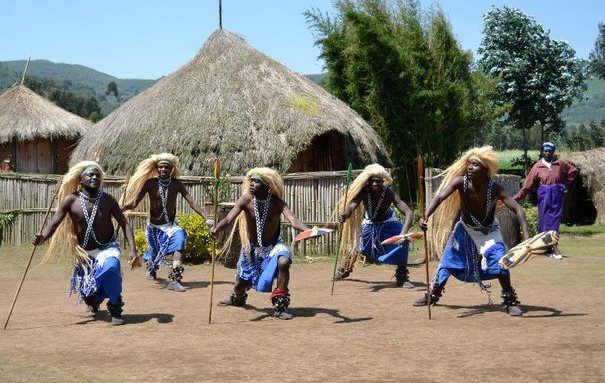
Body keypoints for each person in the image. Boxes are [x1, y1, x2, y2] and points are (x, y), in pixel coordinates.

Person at [413, 146, 530, 316]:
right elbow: (439, 197)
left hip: (489, 232)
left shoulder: (495, 188)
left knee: (499, 260)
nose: (470, 167)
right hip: (465, 229)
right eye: (469, 163)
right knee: (447, 262)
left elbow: (518, 209)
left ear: (485, 169)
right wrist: (425, 216)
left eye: (475, 165)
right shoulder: (460, 182)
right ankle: (433, 294)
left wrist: (526, 235)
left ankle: (510, 299)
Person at [33, 161, 139, 325]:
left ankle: (115, 305)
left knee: (111, 268)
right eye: (91, 174)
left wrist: (133, 250)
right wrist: (42, 239)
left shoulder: (108, 200)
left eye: (98, 175)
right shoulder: (71, 200)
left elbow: (124, 223)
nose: (95, 177)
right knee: (88, 295)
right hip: (85, 253)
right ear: (80, 180)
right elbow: (53, 224)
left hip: (107, 247)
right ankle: (94, 299)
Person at [211, 168, 309, 320]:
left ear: (267, 186)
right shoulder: (246, 200)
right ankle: (237, 298)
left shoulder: (277, 203)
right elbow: (228, 219)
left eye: (257, 182)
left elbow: (294, 221)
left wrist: (309, 231)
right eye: (252, 181)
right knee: (241, 284)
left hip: (274, 246)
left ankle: (280, 306)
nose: (252, 184)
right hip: (252, 249)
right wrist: (217, 229)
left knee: (283, 262)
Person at [122, 153, 209, 292]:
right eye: (161, 167)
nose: (163, 170)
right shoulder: (150, 183)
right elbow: (134, 203)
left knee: (180, 241)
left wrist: (205, 217)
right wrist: (122, 207)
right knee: (154, 255)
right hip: (154, 227)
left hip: (171, 226)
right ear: (156, 169)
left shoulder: (176, 184)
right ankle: (152, 269)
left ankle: (174, 280)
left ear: (171, 170)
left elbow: (191, 201)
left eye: (166, 167)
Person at [336, 164, 415, 287]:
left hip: (388, 222)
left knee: (403, 243)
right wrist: (346, 214)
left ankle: (402, 276)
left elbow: (409, 212)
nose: (374, 184)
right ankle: (345, 268)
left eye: (377, 181)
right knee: (356, 244)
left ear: (383, 181)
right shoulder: (364, 192)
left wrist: (402, 234)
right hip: (369, 223)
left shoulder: (388, 193)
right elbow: (353, 204)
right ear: (368, 182)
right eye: (371, 181)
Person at [513, 142, 578, 259]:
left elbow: (573, 171)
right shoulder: (537, 166)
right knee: (544, 221)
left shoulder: (560, 163)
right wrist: (516, 198)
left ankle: (554, 247)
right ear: (542, 152)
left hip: (557, 194)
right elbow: (527, 185)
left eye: (550, 151)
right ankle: (545, 248)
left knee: (554, 221)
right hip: (544, 195)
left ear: (553, 152)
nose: (548, 153)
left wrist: (564, 185)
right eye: (545, 151)